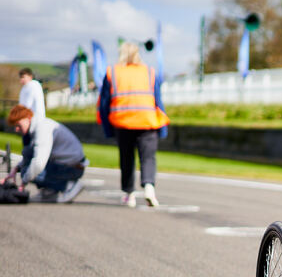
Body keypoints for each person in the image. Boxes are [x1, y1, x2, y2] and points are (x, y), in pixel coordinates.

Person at [97, 41, 169, 207]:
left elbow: (104, 104)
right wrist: (162, 128)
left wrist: (107, 129)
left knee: (127, 158)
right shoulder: (149, 72)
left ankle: (129, 193)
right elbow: (158, 101)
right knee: (148, 157)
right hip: (148, 121)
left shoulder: (113, 72)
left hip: (123, 122)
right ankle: (149, 187)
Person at [4, 105, 87, 203]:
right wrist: (16, 169)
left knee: (28, 171)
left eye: (18, 124)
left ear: (28, 118)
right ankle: (51, 192)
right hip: (68, 165)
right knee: (27, 155)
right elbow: (30, 155)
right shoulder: (37, 127)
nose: (16, 129)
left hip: (73, 168)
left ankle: (68, 185)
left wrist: (23, 182)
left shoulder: (42, 128)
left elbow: (39, 163)